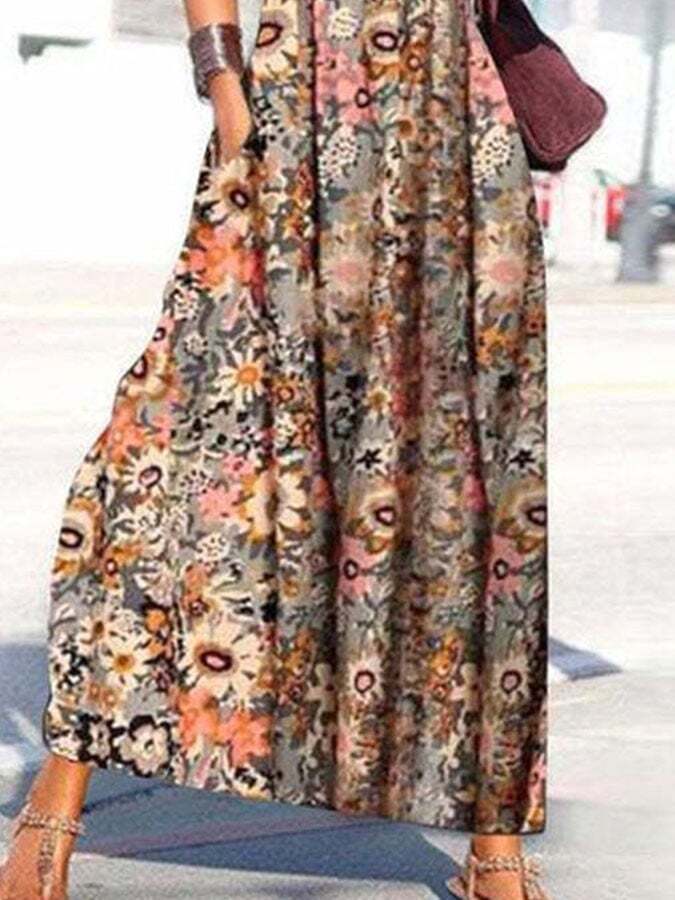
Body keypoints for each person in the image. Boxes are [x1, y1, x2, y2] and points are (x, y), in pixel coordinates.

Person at [0, 0, 549, 897]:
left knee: (470, 475)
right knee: (174, 441)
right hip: (294, 111)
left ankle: (495, 848)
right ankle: (56, 794)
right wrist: (226, 91)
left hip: (460, 131)